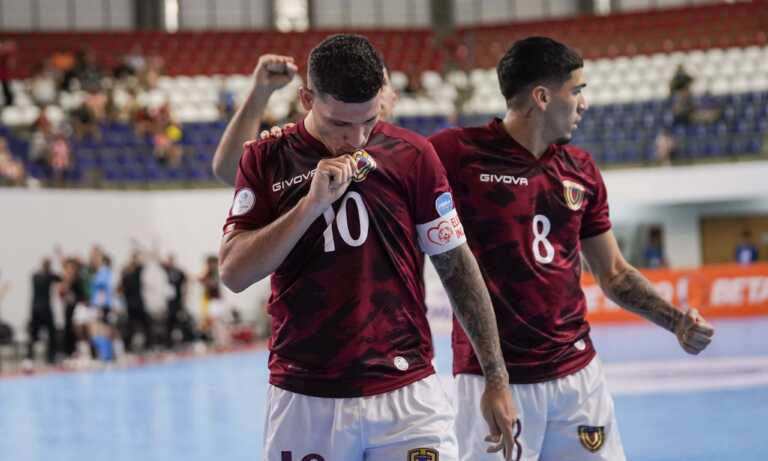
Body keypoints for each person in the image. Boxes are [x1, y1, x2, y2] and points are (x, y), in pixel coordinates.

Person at [218, 34, 518, 461]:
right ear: (307, 98)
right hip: (305, 395)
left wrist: (496, 377)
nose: (356, 138)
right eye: (340, 125)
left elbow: (455, 265)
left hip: (407, 392)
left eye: (369, 121)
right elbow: (233, 272)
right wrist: (310, 206)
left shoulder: (413, 155)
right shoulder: (268, 157)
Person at [428, 37, 715, 461]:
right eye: (576, 91)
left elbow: (614, 273)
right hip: (495, 380)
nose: (584, 104)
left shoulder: (580, 169)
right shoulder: (456, 154)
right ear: (542, 97)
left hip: (578, 377)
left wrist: (676, 322)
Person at [212, 54, 400, 186]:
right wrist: (260, 92)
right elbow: (230, 171)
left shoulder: (416, 160)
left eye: (379, 84)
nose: (366, 95)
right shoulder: (300, 155)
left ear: (394, 97)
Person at [27, 258, 62, 364]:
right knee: (44, 334)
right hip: (43, 309)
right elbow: (60, 278)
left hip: (36, 309)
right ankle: (45, 357)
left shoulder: (35, 275)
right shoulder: (45, 276)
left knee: (38, 335)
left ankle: (31, 357)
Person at [118, 251, 154, 352]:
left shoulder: (137, 271)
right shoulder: (126, 273)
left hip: (138, 303)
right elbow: (120, 288)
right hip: (130, 304)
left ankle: (148, 345)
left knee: (146, 324)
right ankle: (127, 347)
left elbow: (143, 261)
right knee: (130, 326)